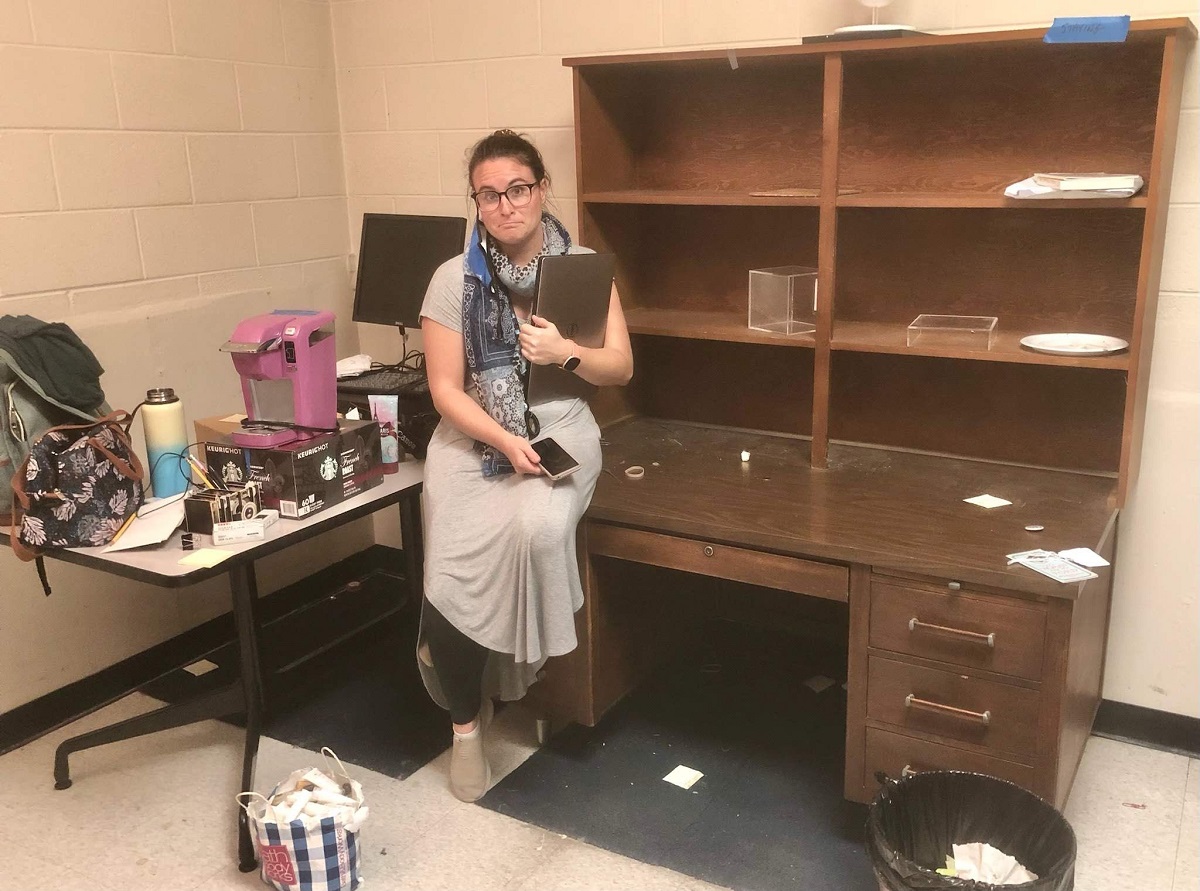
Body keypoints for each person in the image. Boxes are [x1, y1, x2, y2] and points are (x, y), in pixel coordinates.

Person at [416, 129, 633, 801]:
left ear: (541, 190)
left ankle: (525, 675)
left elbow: (619, 366)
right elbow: (447, 390)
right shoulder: (454, 280)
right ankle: (463, 724)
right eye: (490, 193)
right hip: (472, 438)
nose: (505, 205)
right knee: (449, 572)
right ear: (477, 202)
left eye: (518, 188)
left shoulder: (583, 270)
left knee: (536, 530)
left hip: (562, 426)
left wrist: (566, 350)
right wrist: (504, 442)